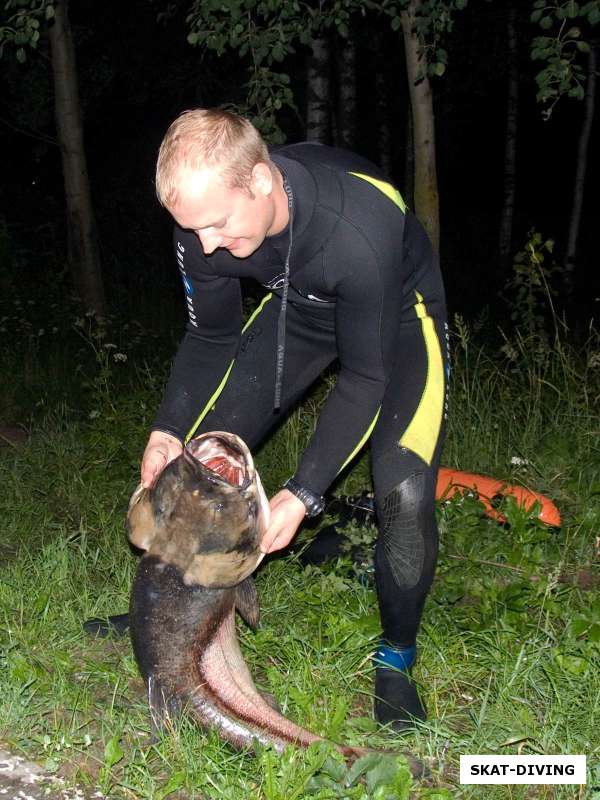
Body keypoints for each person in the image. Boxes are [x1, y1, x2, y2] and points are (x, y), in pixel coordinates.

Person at [91, 108, 449, 731]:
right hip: (300, 312)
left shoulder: (357, 226)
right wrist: (166, 431)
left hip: (398, 320)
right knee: (201, 464)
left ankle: (395, 658)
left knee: (404, 492)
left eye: (217, 226)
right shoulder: (205, 224)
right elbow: (210, 337)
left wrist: (301, 494)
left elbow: (367, 376)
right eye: (191, 230)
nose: (205, 246)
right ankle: (178, 602)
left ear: (260, 181)